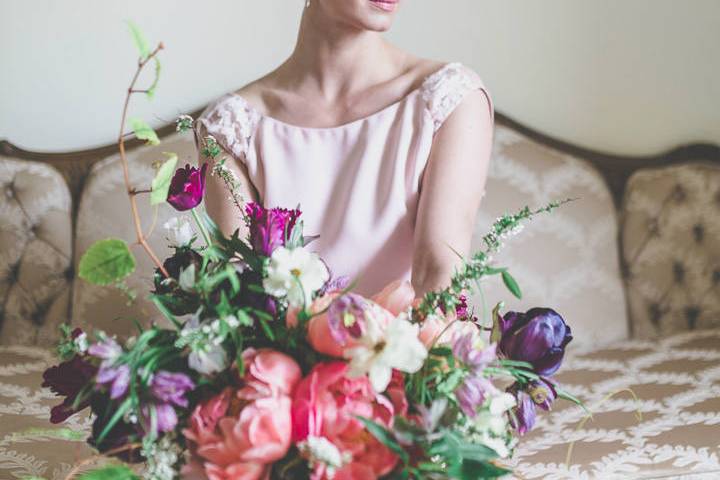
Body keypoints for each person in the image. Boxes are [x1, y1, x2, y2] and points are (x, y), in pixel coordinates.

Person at [196, 0, 494, 297]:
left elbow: (438, 271)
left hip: (414, 338)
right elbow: (239, 291)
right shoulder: (231, 127)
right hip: (276, 342)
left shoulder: (449, 99)